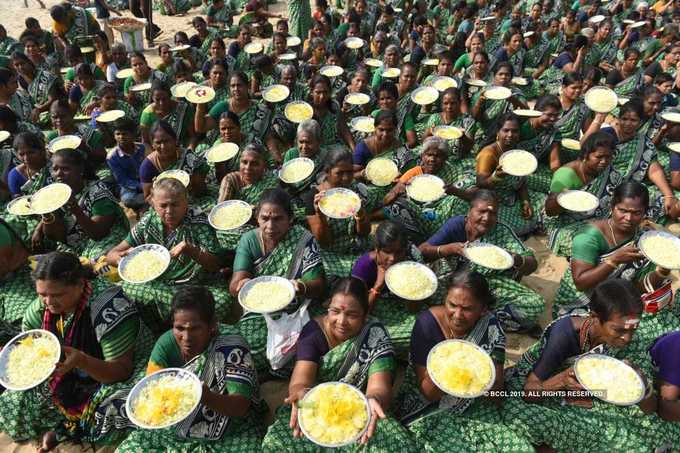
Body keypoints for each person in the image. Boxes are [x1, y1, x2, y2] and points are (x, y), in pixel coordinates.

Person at [0, 251, 152, 450]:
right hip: (69, 370)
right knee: (14, 398)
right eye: (42, 294)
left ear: (80, 285)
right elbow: (33, 351)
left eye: (57, 295)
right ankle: (63, 425)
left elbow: (121, 371)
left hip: (118, 370)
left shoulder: (109, 307)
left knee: (119, 405)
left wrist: (82, 361)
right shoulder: (38, 312)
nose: (48, 302)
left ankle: (65, 428)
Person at [503, 279, 662, 451]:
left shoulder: (631, 341)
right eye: (619, 330)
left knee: (651, 426)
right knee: (522, 416)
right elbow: (529, 393)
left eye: (633, 330)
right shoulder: (564, 334)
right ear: (594, 318)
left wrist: (643, 385)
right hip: (544, 390)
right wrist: (563, 380)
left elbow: (649, 408)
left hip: (592, 397)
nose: (627, 338)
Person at [262, 277, 418, 452]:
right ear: (328, 307)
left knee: (398, 445)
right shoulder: (313, 332)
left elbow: (379, 386)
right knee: (277, 443)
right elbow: (300, 381)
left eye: (352, 315)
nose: (341, 321)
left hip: (360, 408)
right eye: (335, 311)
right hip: (317, 405)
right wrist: (301, 393)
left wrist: (374, 399)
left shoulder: (375, 334)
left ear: (365, 316)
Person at [396, 270, 534, 452]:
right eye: (452, 305)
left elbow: (495, 393)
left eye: (467, 309)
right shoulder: (426, 324)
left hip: (473, 403)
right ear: (445, 299)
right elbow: (428, 393)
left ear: (483, 309)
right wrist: (455, 358)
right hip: (426, 408)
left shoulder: (490, 327)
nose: (458, 315)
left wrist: (483, 365)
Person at [117, 286, 266, 452]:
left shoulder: (231, 348)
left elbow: (240, 405)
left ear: (212, 325)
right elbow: (152, 390)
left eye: (195, 329)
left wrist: (207, 397)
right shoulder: (166, 344)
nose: (186, 338)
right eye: (179, 328)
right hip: (177, 428)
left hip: (230, 427)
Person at [106, 178, 228, 331]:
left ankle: (180, 319)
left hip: (196, 286)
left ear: (186, 202)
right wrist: (124, 258)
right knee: (124, 289)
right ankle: (170, 320)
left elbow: (215, 264)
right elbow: (112, 254)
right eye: (163, 206)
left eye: (175, 204)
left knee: (222, 301)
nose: (169, 211)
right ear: (154, 205)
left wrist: (189, 249)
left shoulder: (198, 223)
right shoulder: (149, 222)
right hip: (159, 285)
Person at [230, 188, 326, 375]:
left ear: (290, 219)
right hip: (261, 309)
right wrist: (242, 284)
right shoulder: (249, 241)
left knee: (316, 339)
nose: (270, 226)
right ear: (257, 217)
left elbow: (318, 285)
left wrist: (300, 286)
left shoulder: (303, 240)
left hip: (297, 306)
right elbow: (235, 284)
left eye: (278, 219)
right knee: (249, 348)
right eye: (265, 218)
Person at [419, 189, 544, 332]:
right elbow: (422, 251)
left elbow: (531, 263)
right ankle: (472, 316)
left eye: (493, 214)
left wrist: (516, 259)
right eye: (482, 211)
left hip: (486, 285)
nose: (486, 218)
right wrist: (448, 249)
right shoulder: (456, 225)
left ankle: (479, 318)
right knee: (425, 292)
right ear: (470, 211)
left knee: (535, 304)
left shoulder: (501, 232)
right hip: (453, 284)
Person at [351, 221, 429, 354]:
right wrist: (377, 287)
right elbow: (357, 314)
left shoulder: (412, 260)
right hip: (374, 311)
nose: (392, 258)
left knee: (427, 328)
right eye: (387, 252)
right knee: (369, 335)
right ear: (377, 249)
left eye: (399, 252)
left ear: (406, 249)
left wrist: (409, 287)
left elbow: (414, 308)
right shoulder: (364, 266)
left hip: (404, 308)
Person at [36, 149, 128, 261]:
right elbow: (58, 236)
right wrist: (47, 214)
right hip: (76, 243)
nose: (59, 173)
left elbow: (98, 234)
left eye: (65, 169)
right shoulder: (56, 193)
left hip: (106, 238)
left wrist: (75, 208)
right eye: (55, 169)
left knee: (97, 259)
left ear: (80, 169)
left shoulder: (98, 193)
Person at [382, 136, 471, 242]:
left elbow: (468, 193)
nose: (432, 159)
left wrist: (454, 190)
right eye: (429, 155)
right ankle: (420, 239)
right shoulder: (414, 173)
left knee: (462, 201)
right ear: (423, 156)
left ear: (445, 158)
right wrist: (396, 191)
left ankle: (445, 235)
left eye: (438, 156)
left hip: (443, 215)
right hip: (418, 216)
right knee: (396, 206)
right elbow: (386, 201)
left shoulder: (451, 172)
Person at [544, 131, 615, 257]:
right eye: (599, 157)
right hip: (563, 222)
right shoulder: (566, 174)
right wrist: (566, 198)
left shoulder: (606, 171)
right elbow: (550, 210)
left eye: (608, 157)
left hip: (596, 217)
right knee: (588, 247)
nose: (604, 161)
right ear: (586, 155)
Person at [304, 149, 371, 279]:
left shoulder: (354, 191)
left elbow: (364, 232)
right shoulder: (314, 197)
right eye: (339, 173)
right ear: (327, 172)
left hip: (358, 246)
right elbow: (325, 242)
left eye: (350, 172)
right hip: (332, 254)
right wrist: (321, 216)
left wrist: (360, 213)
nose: (346, 178)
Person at [475, 112, 541, 236]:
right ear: (498, 132)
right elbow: (480, 183)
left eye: (515, 131)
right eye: (506, 130)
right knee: (500, 225)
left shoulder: (517, 152)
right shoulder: (489, 154)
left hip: (510, 196)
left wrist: (525, 201)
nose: (510, 135)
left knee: (539, 205)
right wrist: (495, 177)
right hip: (492, 198)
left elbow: (520, 182)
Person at [216, 142, 278, 248]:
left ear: (264, 165)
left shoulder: (271, 182)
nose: (248, 168)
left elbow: (271, 213)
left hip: (261, 227)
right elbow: (221, 212)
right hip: (230, 228)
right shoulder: (231, 180)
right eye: (244, 162)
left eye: (254, 164)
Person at [352, 110, 417, 209]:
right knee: (357, 198)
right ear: (374, 129)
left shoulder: (400, 147)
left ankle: (376, 213)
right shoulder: (363, 147)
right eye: (381, 130)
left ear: (395, 130)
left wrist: (401, 178)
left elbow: (410, 172)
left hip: (393, 188)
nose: (385, 134)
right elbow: (351, 175)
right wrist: (362, 174)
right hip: (369, 187)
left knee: (405, 203)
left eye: (389, 130)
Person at [138, 120, 209, 203]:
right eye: (158, 142)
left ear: (175, 140)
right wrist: (158, 192)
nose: (163, 146)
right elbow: (147, 198)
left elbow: (202, 190)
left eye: (166, 141)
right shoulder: (148, 166)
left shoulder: (188, 156)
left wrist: (194, 183)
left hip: (192, 200)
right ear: (152, 145)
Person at [140, 80, 196, 148]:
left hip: (181, 148)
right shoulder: (147, 114)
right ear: (152, 98)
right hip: (159, 150)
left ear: (170, 96)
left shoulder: (183, 109)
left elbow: (192, 136)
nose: (161, 103)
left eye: (164, 99)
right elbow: (146, 142)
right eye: (157, 99)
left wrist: (189, 150)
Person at [107, 118, 146, 212]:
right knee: (127, 199)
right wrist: (142, 186)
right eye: (118, 134)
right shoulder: (112, 157)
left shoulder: (142, 148)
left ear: (132, 134)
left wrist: (148, 183)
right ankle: (149, 198)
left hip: (146, 181)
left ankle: (148, 197)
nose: (121, 137)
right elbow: (123, 180)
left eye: (124, 134)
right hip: (129, 187)